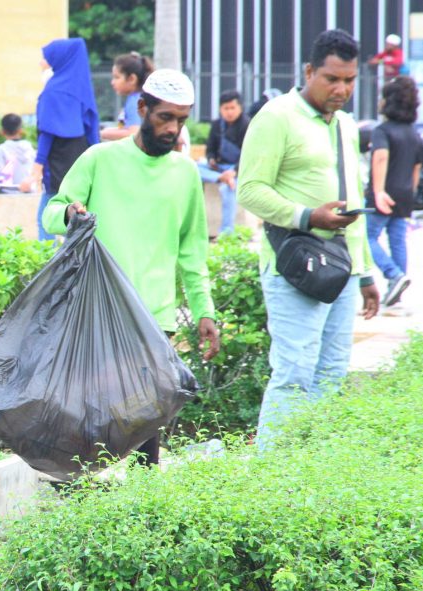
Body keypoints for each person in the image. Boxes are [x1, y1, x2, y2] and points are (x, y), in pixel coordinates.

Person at [43, 68, 220, 464]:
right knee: (90, 413)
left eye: (181, 120)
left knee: (147, 421)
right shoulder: (99, 158)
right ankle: (80, 498)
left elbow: (192, 252)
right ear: (142, 108)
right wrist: (70, 214)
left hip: (155, 317)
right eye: (164, 117)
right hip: (97, 309)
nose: (173, 129)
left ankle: (143, 505)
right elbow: (51, 213)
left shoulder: (185, 173)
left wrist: (204, 311)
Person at [238, 29, 381, 451]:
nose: (342, 89)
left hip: (343, 270)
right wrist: (306, 216)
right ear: (308, 71)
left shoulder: (348, 126)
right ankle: (272, 478)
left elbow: (353, 203)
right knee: (294, 373)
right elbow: (250, 190)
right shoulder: (277, 115)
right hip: (295, 267)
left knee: (331, 374)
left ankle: (308, 470)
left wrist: (366, 271)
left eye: (350, 80)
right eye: (332, 78)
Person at [25, 38, 100, 240]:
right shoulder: (82, 89)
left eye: (46, 58)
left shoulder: (53, 90)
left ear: (59, 60)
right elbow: (92, 129)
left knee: (46, 214)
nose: (42, 63)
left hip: (58, 158)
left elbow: (47, 133)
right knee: (80, 211)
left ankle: (44, 258)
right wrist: (98, 159)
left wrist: (38, 164)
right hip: (82, 155)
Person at [366, 75, 422, 308]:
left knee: (365, 237)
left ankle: (393, 274)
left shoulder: (382, 131)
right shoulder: (414, 134)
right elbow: (416, 169)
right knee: (397, 240)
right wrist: (410, 192)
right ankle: (396, 289)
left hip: (384, 193)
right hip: (405, 194)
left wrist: (378, 191)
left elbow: (380, 158)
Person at [198, 90, 250, 236]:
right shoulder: (216, 125)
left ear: (240, 107)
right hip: (219, 169)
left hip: (238, 170)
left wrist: (234, 171)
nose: (229, 112)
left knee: (227, 190)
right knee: (194, 167)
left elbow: (249, 156)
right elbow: (210, 149)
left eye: (232, 108)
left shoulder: (247, 126)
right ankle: (220, 178)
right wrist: (211, 159)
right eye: (225, 109)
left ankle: (227, 232)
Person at [101, 52, 154, 141]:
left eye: (116, 77)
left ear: (132, 79)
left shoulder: (136, 102)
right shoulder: (135, 99)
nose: (112, 82)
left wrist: (102, 133)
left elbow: (134, 133)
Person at [0, 113, 35, 187]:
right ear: (21, 130)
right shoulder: (29, 147)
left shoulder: (2, 149)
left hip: (9, 191)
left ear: (2, 131)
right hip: (29, 190)